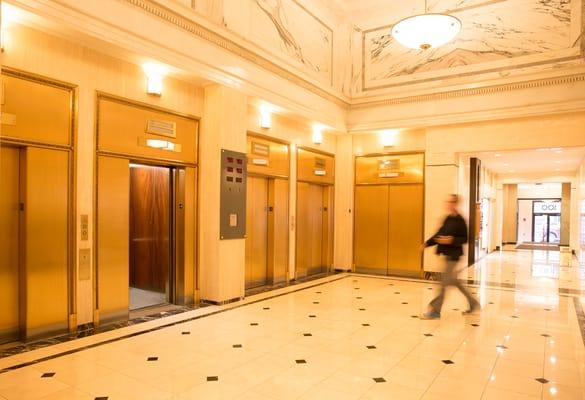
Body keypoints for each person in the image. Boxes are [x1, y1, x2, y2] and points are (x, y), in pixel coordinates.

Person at [420, 194, 480, 319]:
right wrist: (427, 243)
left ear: (456, 204)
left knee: (443, 284)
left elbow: (465, 238)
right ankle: (473, 303)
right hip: (447, 254)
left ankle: (435, 311)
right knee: (454, 281)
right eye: (448, 202)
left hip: (454, 256)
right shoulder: (448, 218)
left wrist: (452, 240)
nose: (449, 204)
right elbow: (439, 234)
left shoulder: (460, 220)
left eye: (451, 202)